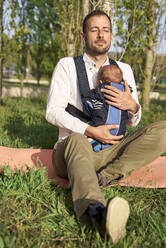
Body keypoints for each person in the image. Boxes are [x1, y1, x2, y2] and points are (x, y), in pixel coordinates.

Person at [46, 10, 166, 244]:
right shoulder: (67, 66)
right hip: (74, 151)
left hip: (113, 151)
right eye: (94, 30)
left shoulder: (125, 70)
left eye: (105, 30)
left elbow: (133, 122)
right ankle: (97, 213)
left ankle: (106, 176)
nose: (100, 35)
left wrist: (132, 105)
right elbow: (53, 111)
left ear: (111, 35)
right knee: (78, 139)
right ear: (83, 35)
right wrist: (90, 130)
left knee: (163, 129)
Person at [83, 64, 128, 152]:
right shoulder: (124, 91)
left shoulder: (101, 90)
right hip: (119, 130)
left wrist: (89, 96)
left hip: (102, 124)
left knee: (93, 120)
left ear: (100, 81)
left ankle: (94, 143)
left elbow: (90, 102)